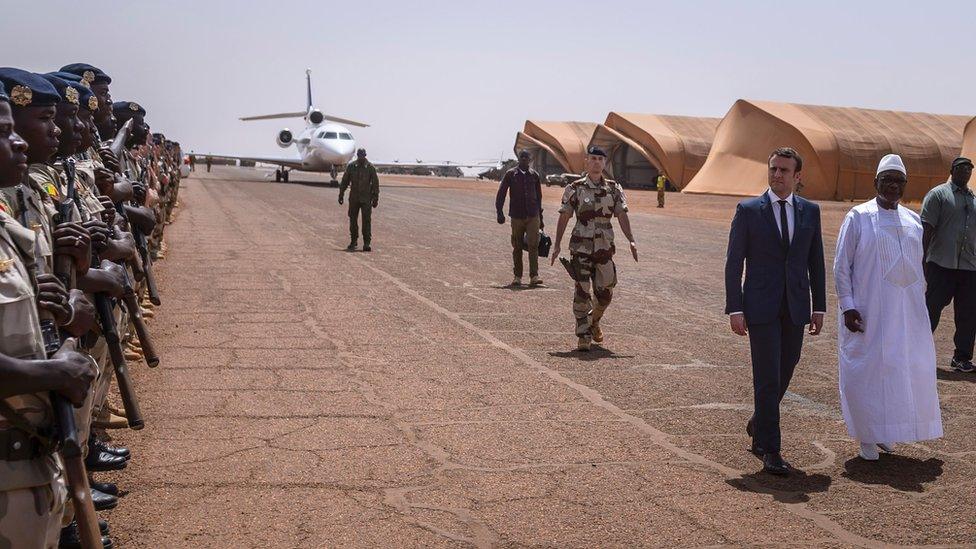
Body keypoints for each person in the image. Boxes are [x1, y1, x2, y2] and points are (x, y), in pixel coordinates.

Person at [834, 154, 943, 461]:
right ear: (876, 183)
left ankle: (886, 431)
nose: (893, 186)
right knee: (866, 372)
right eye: (887, 180)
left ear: (905, 185)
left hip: (904, 315)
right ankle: (867, 436)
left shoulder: (912, 221)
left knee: (898, 370)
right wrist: (848, 306)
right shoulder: (858, 216)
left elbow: (916, 269)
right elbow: (842, 265)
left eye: (898, 181)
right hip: (868, 313)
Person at [724, 147, 826, 476]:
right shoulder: (749, 210)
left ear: (798, 176)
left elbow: (816, 262)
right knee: (767, 377)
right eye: (773, 169)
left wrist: (819, 306)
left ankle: (759, 422)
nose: (777, 174)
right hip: (760, 306)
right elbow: (733, 262)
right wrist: (735, 307)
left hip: (795, 305)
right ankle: (771, 449)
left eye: (784, 170)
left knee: (787, 367)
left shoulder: (810, 211)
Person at [550, 146, 638, 351]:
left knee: (605, 293)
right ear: (586, 162)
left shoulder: (614, 189)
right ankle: (583, 335)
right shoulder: (575, 188)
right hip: (580, 247)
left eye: (600, 159)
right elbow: (565, 215)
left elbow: (622, 215)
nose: (597, 162)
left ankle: (594, 321)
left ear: (605, 163)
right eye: (593, 158)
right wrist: (556, 244)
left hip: (605, 249)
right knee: (582, 292)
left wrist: (631, 240)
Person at [921, 156, 976, 373]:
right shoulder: (938, 195)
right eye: (962, 168)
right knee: (930, 310)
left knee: (968, 314)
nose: (966, 172)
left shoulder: (972, 199)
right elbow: (926, 230)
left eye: (969, 169)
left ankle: (962, 358)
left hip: (969, 267)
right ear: (952, 170)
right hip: (940, 264)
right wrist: (922, 260)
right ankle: (918, 353)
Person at [496, 150, 544, 286]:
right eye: (521, 157)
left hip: (532, 216)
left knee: (533, 245)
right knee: (517, 246)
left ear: (530, 159)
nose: (524, 159)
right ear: (518, 159)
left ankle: (534, 276)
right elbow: (502, 193)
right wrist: (499, 211)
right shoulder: (511, 174)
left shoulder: (535, 176)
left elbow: (539, 198)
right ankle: (517, 276)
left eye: (526, 157)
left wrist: (541, 218)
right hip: (517, 216)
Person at [338, 148, 379, 252]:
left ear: (365, 155)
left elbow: (375, 184)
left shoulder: (370, 168)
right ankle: (353, 241)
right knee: (353, 220)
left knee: (366, 221)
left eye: (362, 155)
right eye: (359, 155)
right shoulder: (351, 167)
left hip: (366, 199)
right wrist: (341, 194)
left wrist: (375, 198)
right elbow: (345, 181)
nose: (361, 157)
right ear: (357, 155)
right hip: (354, 198)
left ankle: (366, 242)